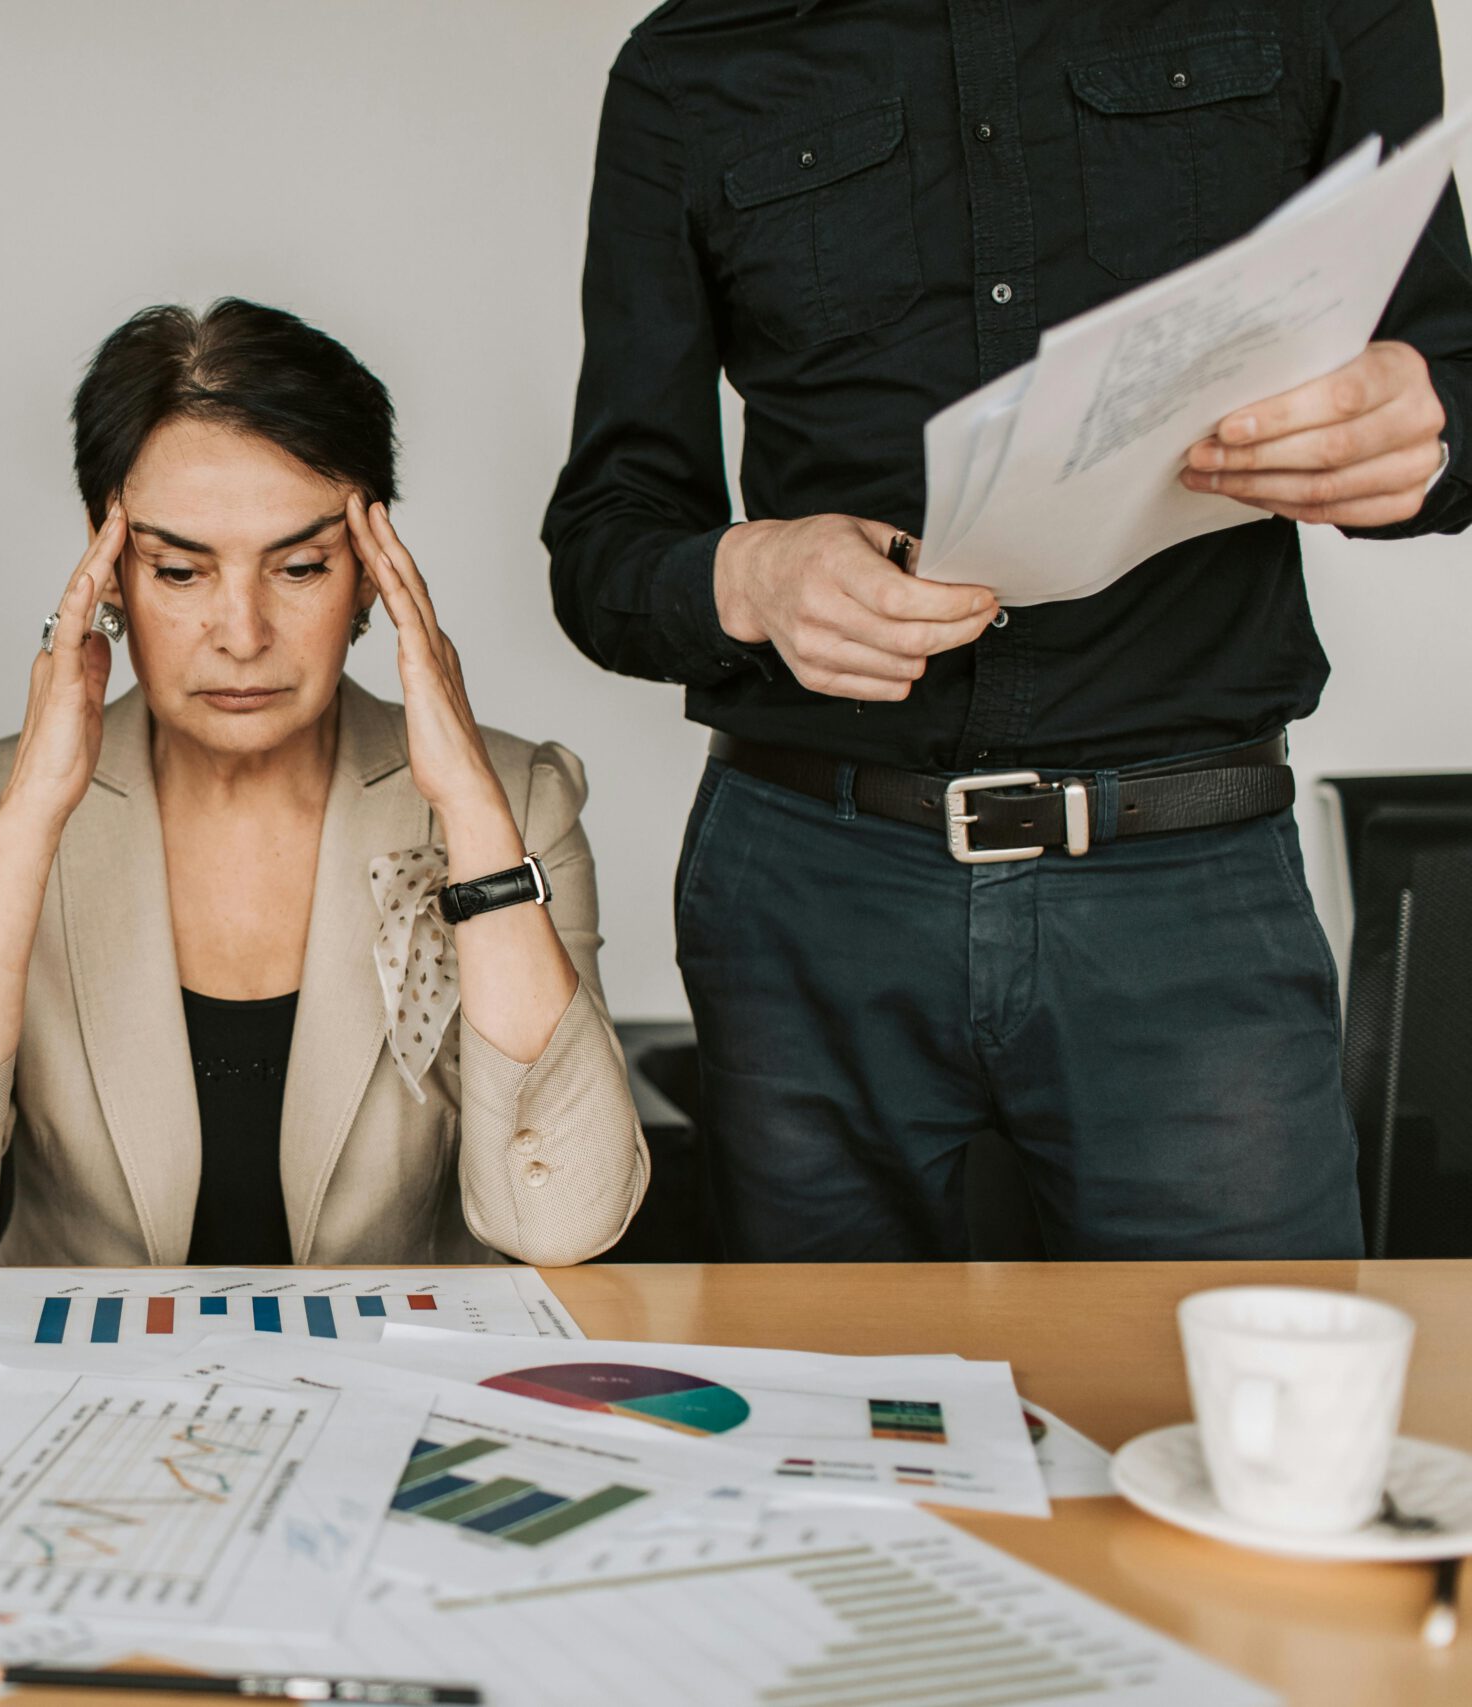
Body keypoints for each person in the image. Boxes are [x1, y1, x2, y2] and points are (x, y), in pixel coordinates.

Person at [543, 0, 1472, 1261]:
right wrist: (747, 577)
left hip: (1187, 895)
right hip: (812, 899)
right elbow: (606, 538)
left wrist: (1428, 426)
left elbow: (1447, 369)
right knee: (826, 1434)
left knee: (1261, 1421)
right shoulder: (689, 61)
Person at [0, 300, 646, 1268]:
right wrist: (29, 820)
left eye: (299, 566)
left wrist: (466, 803)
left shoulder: (518, 801)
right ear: (108, 564)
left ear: (373, 569)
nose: (242, 634)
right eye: (178, 571)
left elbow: (565, 1225)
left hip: (398, 1395)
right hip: (86, 1396)